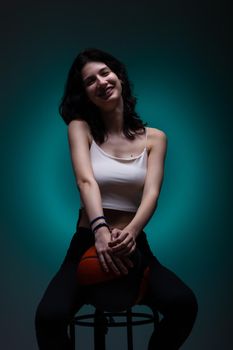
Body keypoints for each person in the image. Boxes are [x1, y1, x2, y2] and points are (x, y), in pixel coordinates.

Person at [35, 48, 198, 349]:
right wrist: (99, 229)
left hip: (132, 244)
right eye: (89, 81)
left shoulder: (155, 138)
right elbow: (86, 181)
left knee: (184, 304)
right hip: (88, 241)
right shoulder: (80, 128)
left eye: (105, 72)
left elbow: (152, 193)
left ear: (119, 77)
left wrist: (133, 233)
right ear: (84, 94)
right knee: (48, 317)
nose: (101, 82)